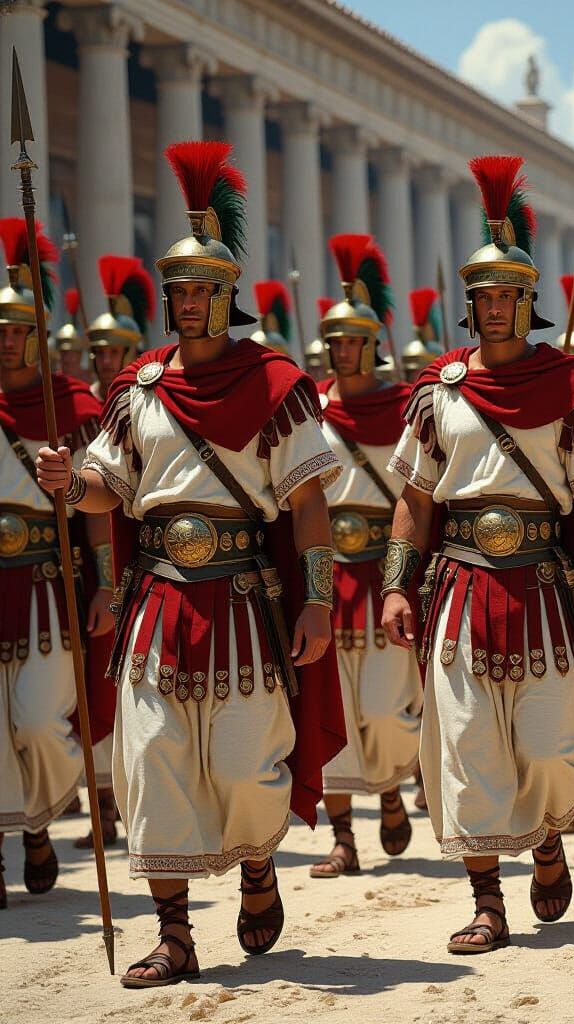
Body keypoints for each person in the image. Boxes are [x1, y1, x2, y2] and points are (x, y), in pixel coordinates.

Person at [36, 141, 345, 986]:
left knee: (247, 766)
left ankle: (254, 866)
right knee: (154, 761)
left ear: (228, 295)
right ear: (169, 298)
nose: (192, 300)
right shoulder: (137, 387)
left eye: (206, 288)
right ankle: (174, 932)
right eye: (181, 289)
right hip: (159, 600)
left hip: (245, 599)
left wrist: (318, 602)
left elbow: (310, 502)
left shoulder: (276, 381)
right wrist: (70, 484)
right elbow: (108, 489)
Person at [382, 155, 574, 953]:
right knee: (466, 745)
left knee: (549, 746)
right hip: (459, 583)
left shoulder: (573, 386)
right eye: (483, 297)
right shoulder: (440, 390)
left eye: (507, 296)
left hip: (542, 587)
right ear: (471, 305)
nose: (493, 308)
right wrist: (396, 586)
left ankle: (551, 837)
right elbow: (416, 498)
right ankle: (487, 900)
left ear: (528, 303)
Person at [308, 235, 422, 879]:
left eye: (350, 339)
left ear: (372, 344)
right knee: (334, 710)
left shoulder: (405, 409)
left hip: (384, 574)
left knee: (383, 708)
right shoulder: (312, 410)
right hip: (330, 574)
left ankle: (389, 790)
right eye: (333, 339)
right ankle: (344, 837)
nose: (340, 349)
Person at [0, 218, 105, 907]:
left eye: (16, 329)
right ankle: (15, 830)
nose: (6, 340)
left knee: (38, 721)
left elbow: (100, 505)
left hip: (45, 583)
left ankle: (41, 811)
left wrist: (109, 588)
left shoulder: (73, 406)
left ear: (37, 335)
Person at [74, 253, 156, 850]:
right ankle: (101, 799)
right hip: (78, 562)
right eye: (98, 352)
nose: (104, 360)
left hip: (146, 559)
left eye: (112, 351)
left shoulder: (145, 400)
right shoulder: (86, 407)